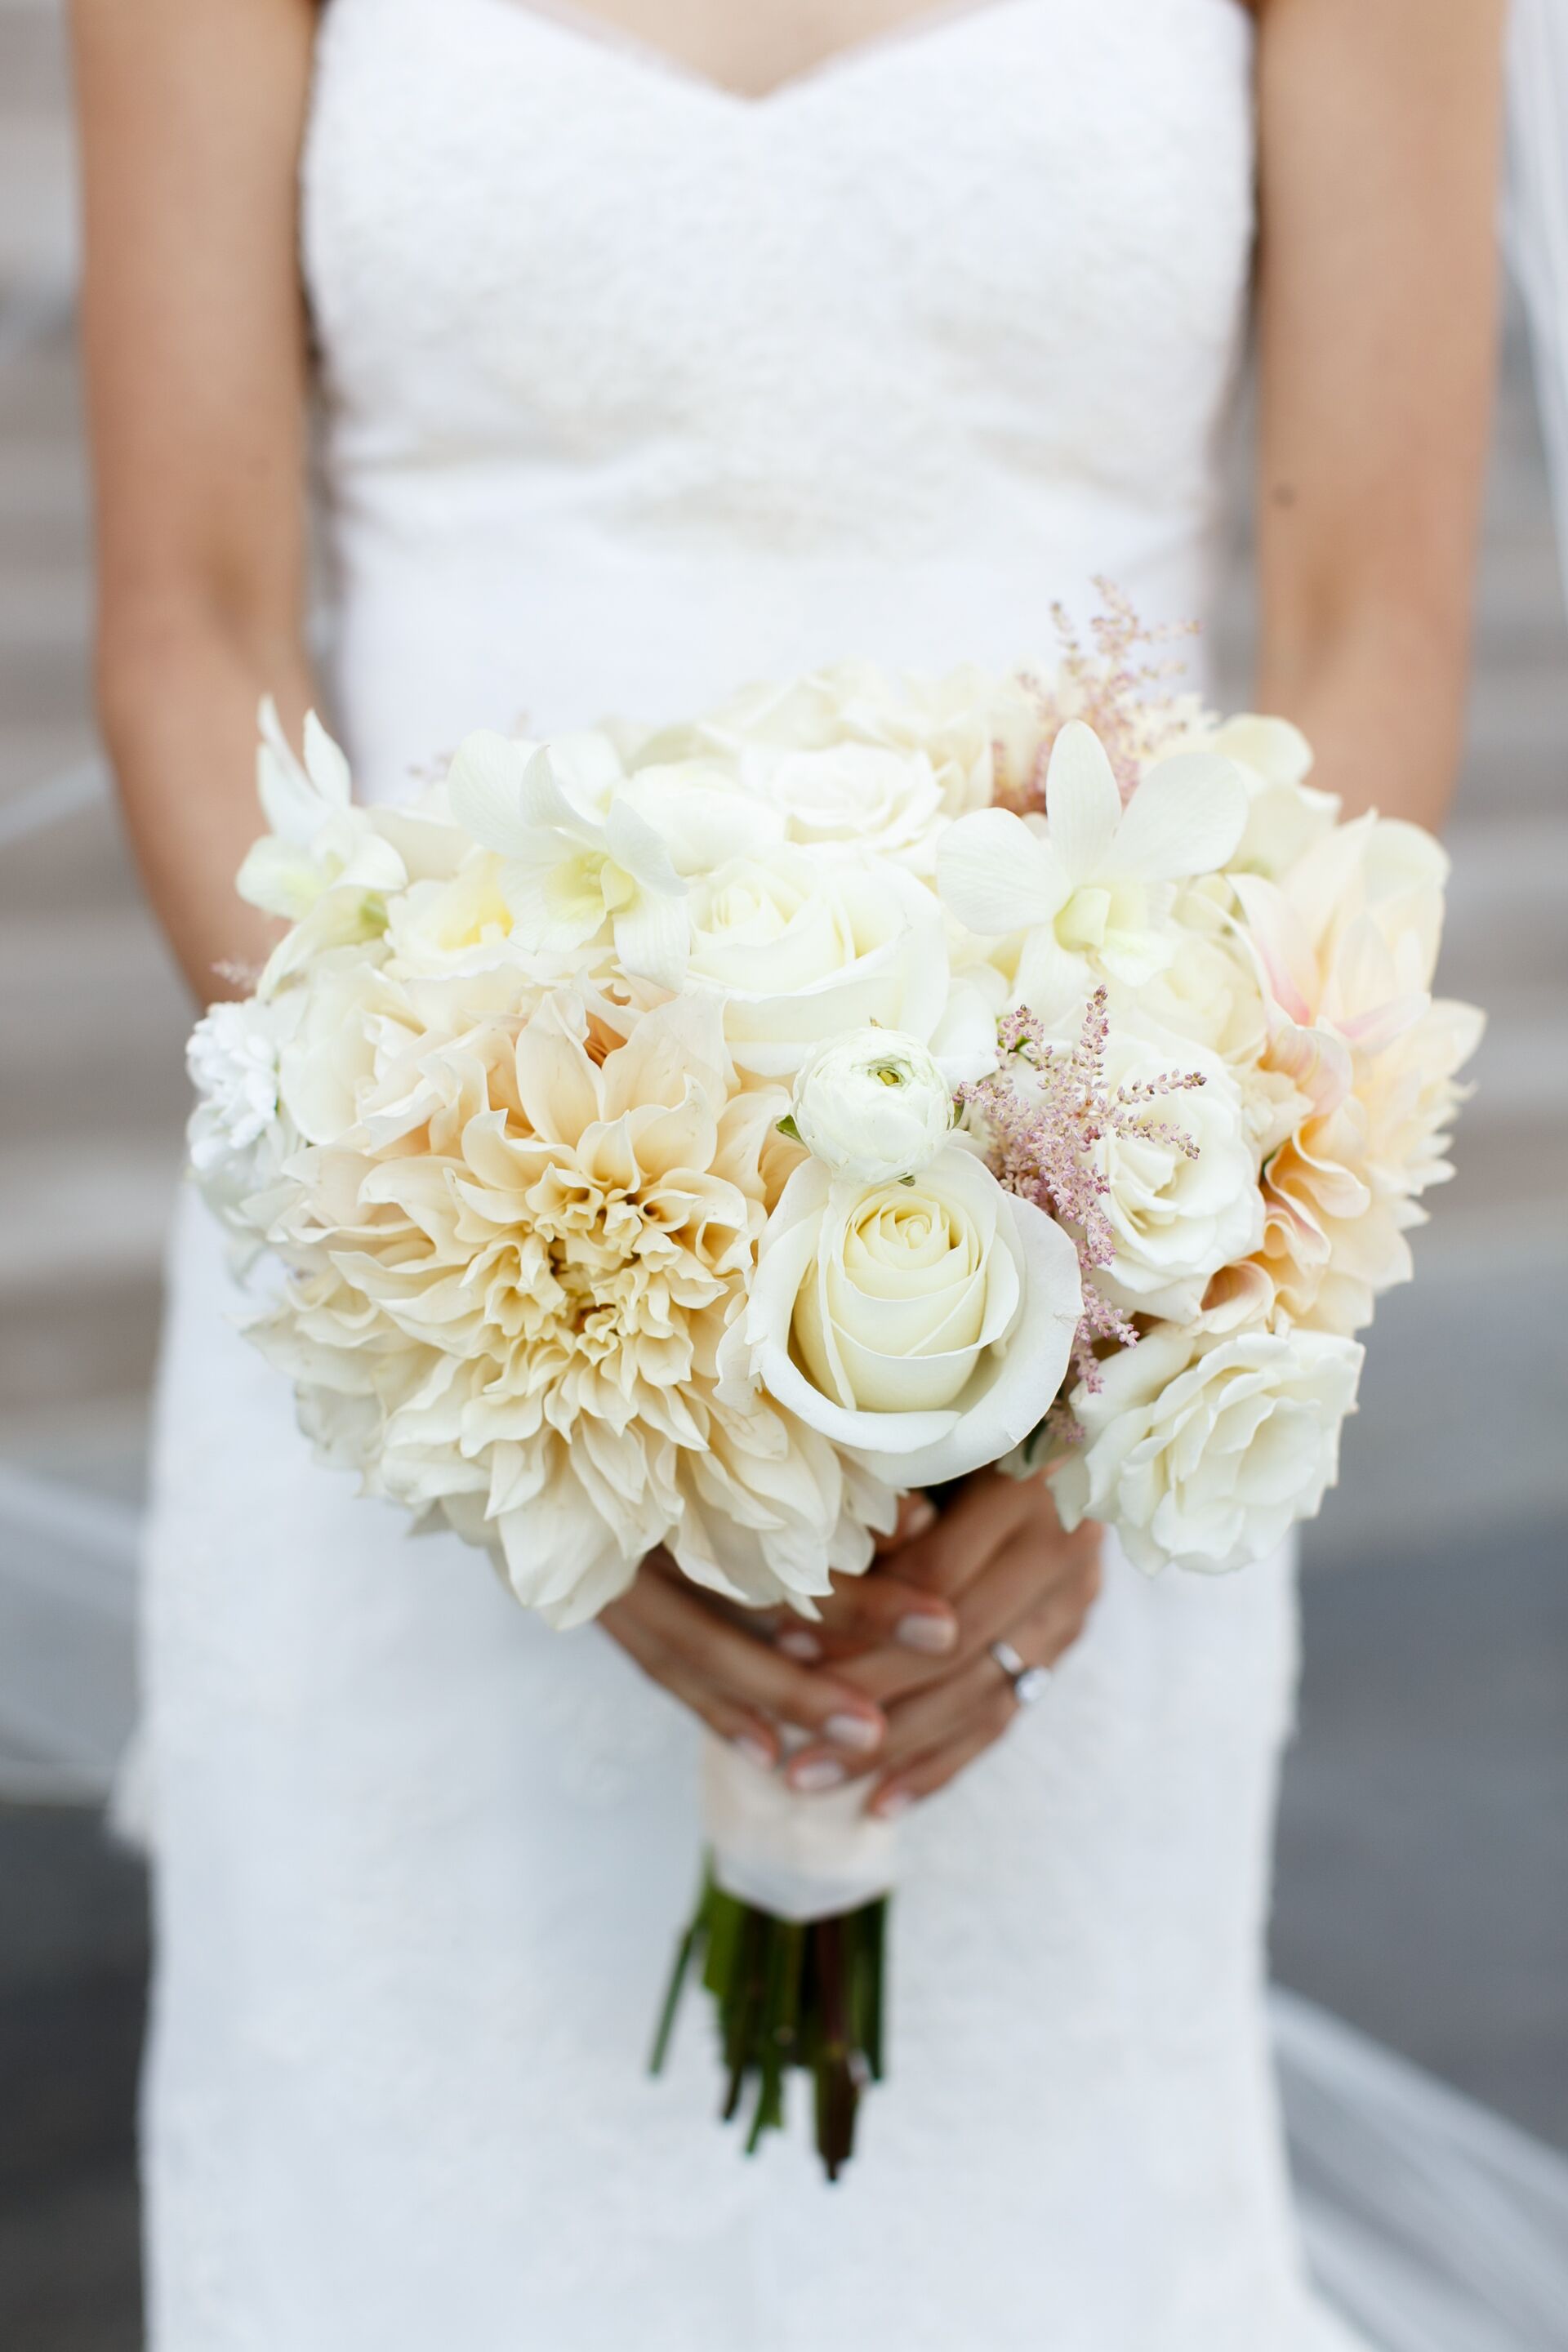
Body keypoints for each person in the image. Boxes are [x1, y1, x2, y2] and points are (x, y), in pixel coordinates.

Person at [70, 2, 1505, 2345]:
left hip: (1078, 1323)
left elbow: (1369, 637)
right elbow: (187, 630)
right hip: (423, 1283)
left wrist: (1128, 1331)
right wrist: (508, 1330)